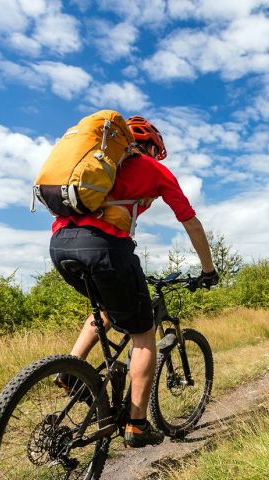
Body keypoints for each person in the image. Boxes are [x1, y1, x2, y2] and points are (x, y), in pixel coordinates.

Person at [49, 115, 218, 448]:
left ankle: (69, 372)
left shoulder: (94, 162)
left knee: (106, 312)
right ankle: (137, 425)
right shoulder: (153, 169)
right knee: (142, 332)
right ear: (153, 147)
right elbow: (191, 222)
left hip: (60, 244)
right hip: (106, 248)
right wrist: (208, 269)